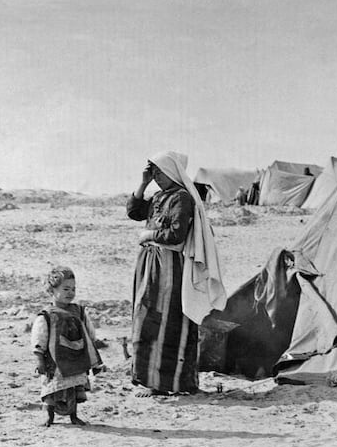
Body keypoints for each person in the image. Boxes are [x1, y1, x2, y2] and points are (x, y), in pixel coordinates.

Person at [126, 151, 227, 397]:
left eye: (160, 173)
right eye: (155, 173)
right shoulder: (160, 196)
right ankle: (151, 380)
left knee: (166, 319)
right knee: (146, 315)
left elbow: (176, 234)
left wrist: (148, 236)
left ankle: (168, 383)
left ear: (172, 172)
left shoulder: (182, 198)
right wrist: (143, 183)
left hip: (168, 266)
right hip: (150, 264)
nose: (157, 178)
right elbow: (135, 212)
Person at [31, 266, 103, 427]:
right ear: (52, 290)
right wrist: (39, 359)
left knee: (74, 387)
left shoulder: (79, 311)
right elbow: (39, 336)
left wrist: (91, 346)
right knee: (51, 388)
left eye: (73, 289)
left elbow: (88, 330)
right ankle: (48, 416)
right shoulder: (47, 314)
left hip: (76, 355)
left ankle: (73, 416)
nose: (70, 292)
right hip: (55, 359)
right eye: (65, 289)